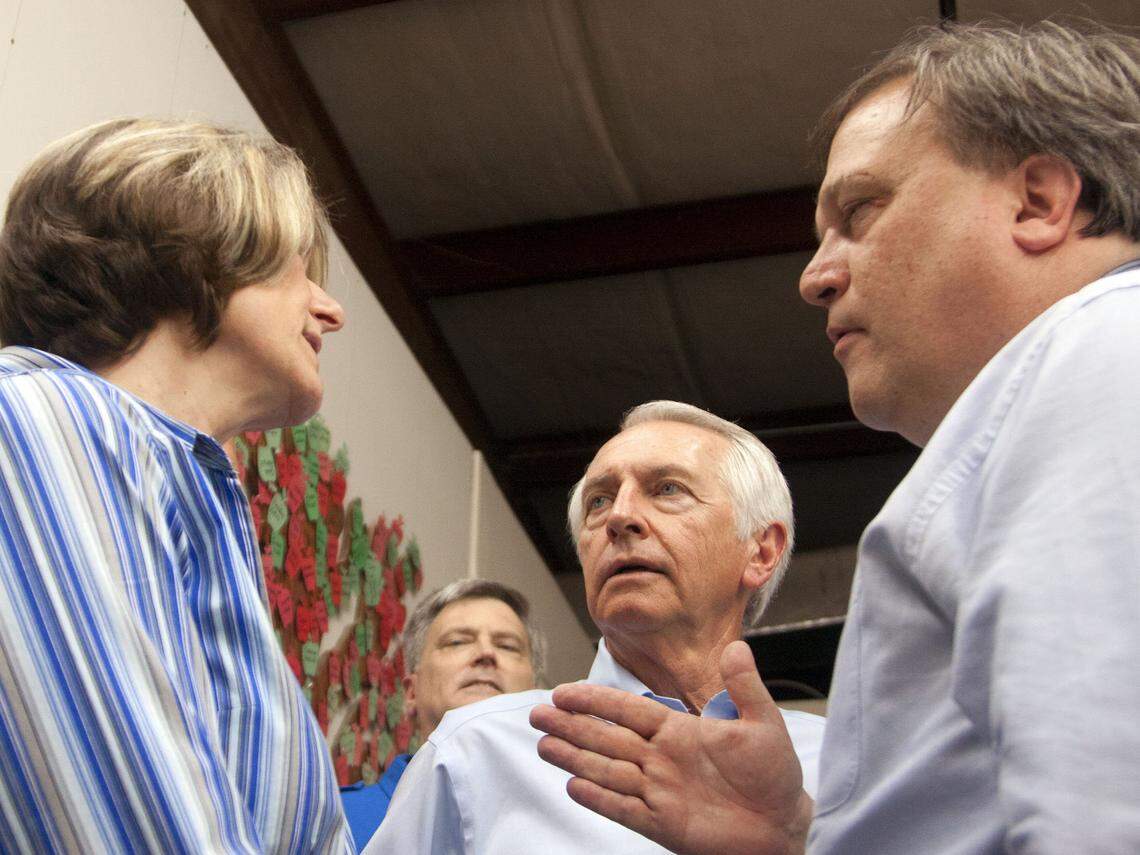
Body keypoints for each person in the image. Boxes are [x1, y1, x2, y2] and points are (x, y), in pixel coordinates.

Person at [530, 20, 1140, 854]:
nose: (816, 276)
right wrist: (794, 840)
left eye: (859, 211)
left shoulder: (1100, 355)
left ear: (1038, 202)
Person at [0, 118, 351, 852]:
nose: (331, 309)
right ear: (199, 254)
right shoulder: (34, 419)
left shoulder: (200, 503)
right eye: (297, 269)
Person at [366, 400, 825, 854]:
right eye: (598, 501)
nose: (619, 517)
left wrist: (791, 843)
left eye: (667, 489)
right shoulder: (474, 753)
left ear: (761, 551)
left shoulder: (838, 762)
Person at [340, 579, 542, 849]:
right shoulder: (337, 820)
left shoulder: (575, 825)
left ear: (536, 693)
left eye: (507, 646)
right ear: (411, 691)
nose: (486, 653)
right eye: (457, 642)